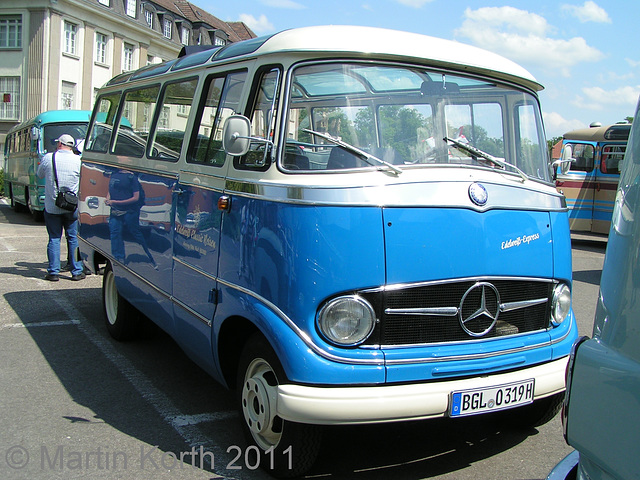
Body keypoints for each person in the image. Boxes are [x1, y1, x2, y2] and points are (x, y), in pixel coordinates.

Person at [36, 133, 85, 281]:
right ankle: (76, 271)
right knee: (73, 238)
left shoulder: (49, 158)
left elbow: (39, 175)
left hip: (52, 206)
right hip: (72, 206)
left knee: (54, 238)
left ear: (59, 144)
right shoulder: (79, 160)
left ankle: (53, 272)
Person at [105, 169, 157, 268]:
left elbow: (135, 198)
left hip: (130, 211)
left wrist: (115, 202)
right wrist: (108, 199)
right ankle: (118, 258)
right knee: (115, 232)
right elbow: (111, 189)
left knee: (135, 233)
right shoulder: (114, 174)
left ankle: (149, 256)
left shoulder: (132, 178)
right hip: (115, 210)